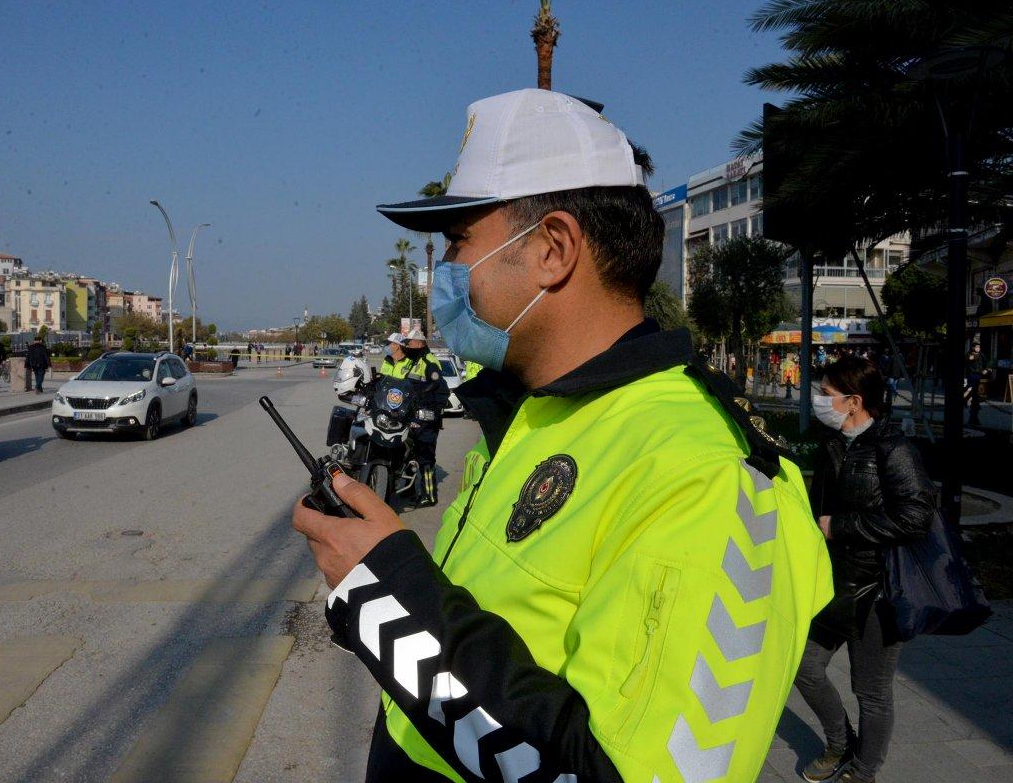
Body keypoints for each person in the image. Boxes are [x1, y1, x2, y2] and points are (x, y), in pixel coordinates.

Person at [291, 89, 833, 782]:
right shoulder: (535, 415)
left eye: (459, 241)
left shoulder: (707, 474)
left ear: (552, 249)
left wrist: (386, 596)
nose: (445, 274)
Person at [796, 356, 934, 782]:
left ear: (854, 401)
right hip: (834, 584)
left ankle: (864, 768)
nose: (819, 401)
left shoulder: (894, 449)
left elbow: (916, 517)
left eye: (827, 395)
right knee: (805, 669)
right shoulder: (834, 444)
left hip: (879, 592)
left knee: (871, 692)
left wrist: (840, 527)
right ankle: (840, 743)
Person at [401, 329, 450, 506]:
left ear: (420, 344)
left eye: (410, 343)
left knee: (425, 458)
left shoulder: (429, 361)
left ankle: (429, 495)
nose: (407, 346)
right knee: (408, 454)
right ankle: (409, 490)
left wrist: (423, 397)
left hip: (427, 417)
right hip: (411, 415)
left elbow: (436, 383)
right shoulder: (413, 362)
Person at [964, 342, 987, 427]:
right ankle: (968, 401)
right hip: (971, 374)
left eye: (979, 347)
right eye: (976, 347)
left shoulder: (981, 354)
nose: (978, 349)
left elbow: (985, 362)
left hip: (978, 375)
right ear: (973, 347)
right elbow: (966, 361)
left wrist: (986, 369)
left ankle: (973, 405)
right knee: (971, 389)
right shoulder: (969, 354)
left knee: (975, 391)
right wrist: (970, 358)